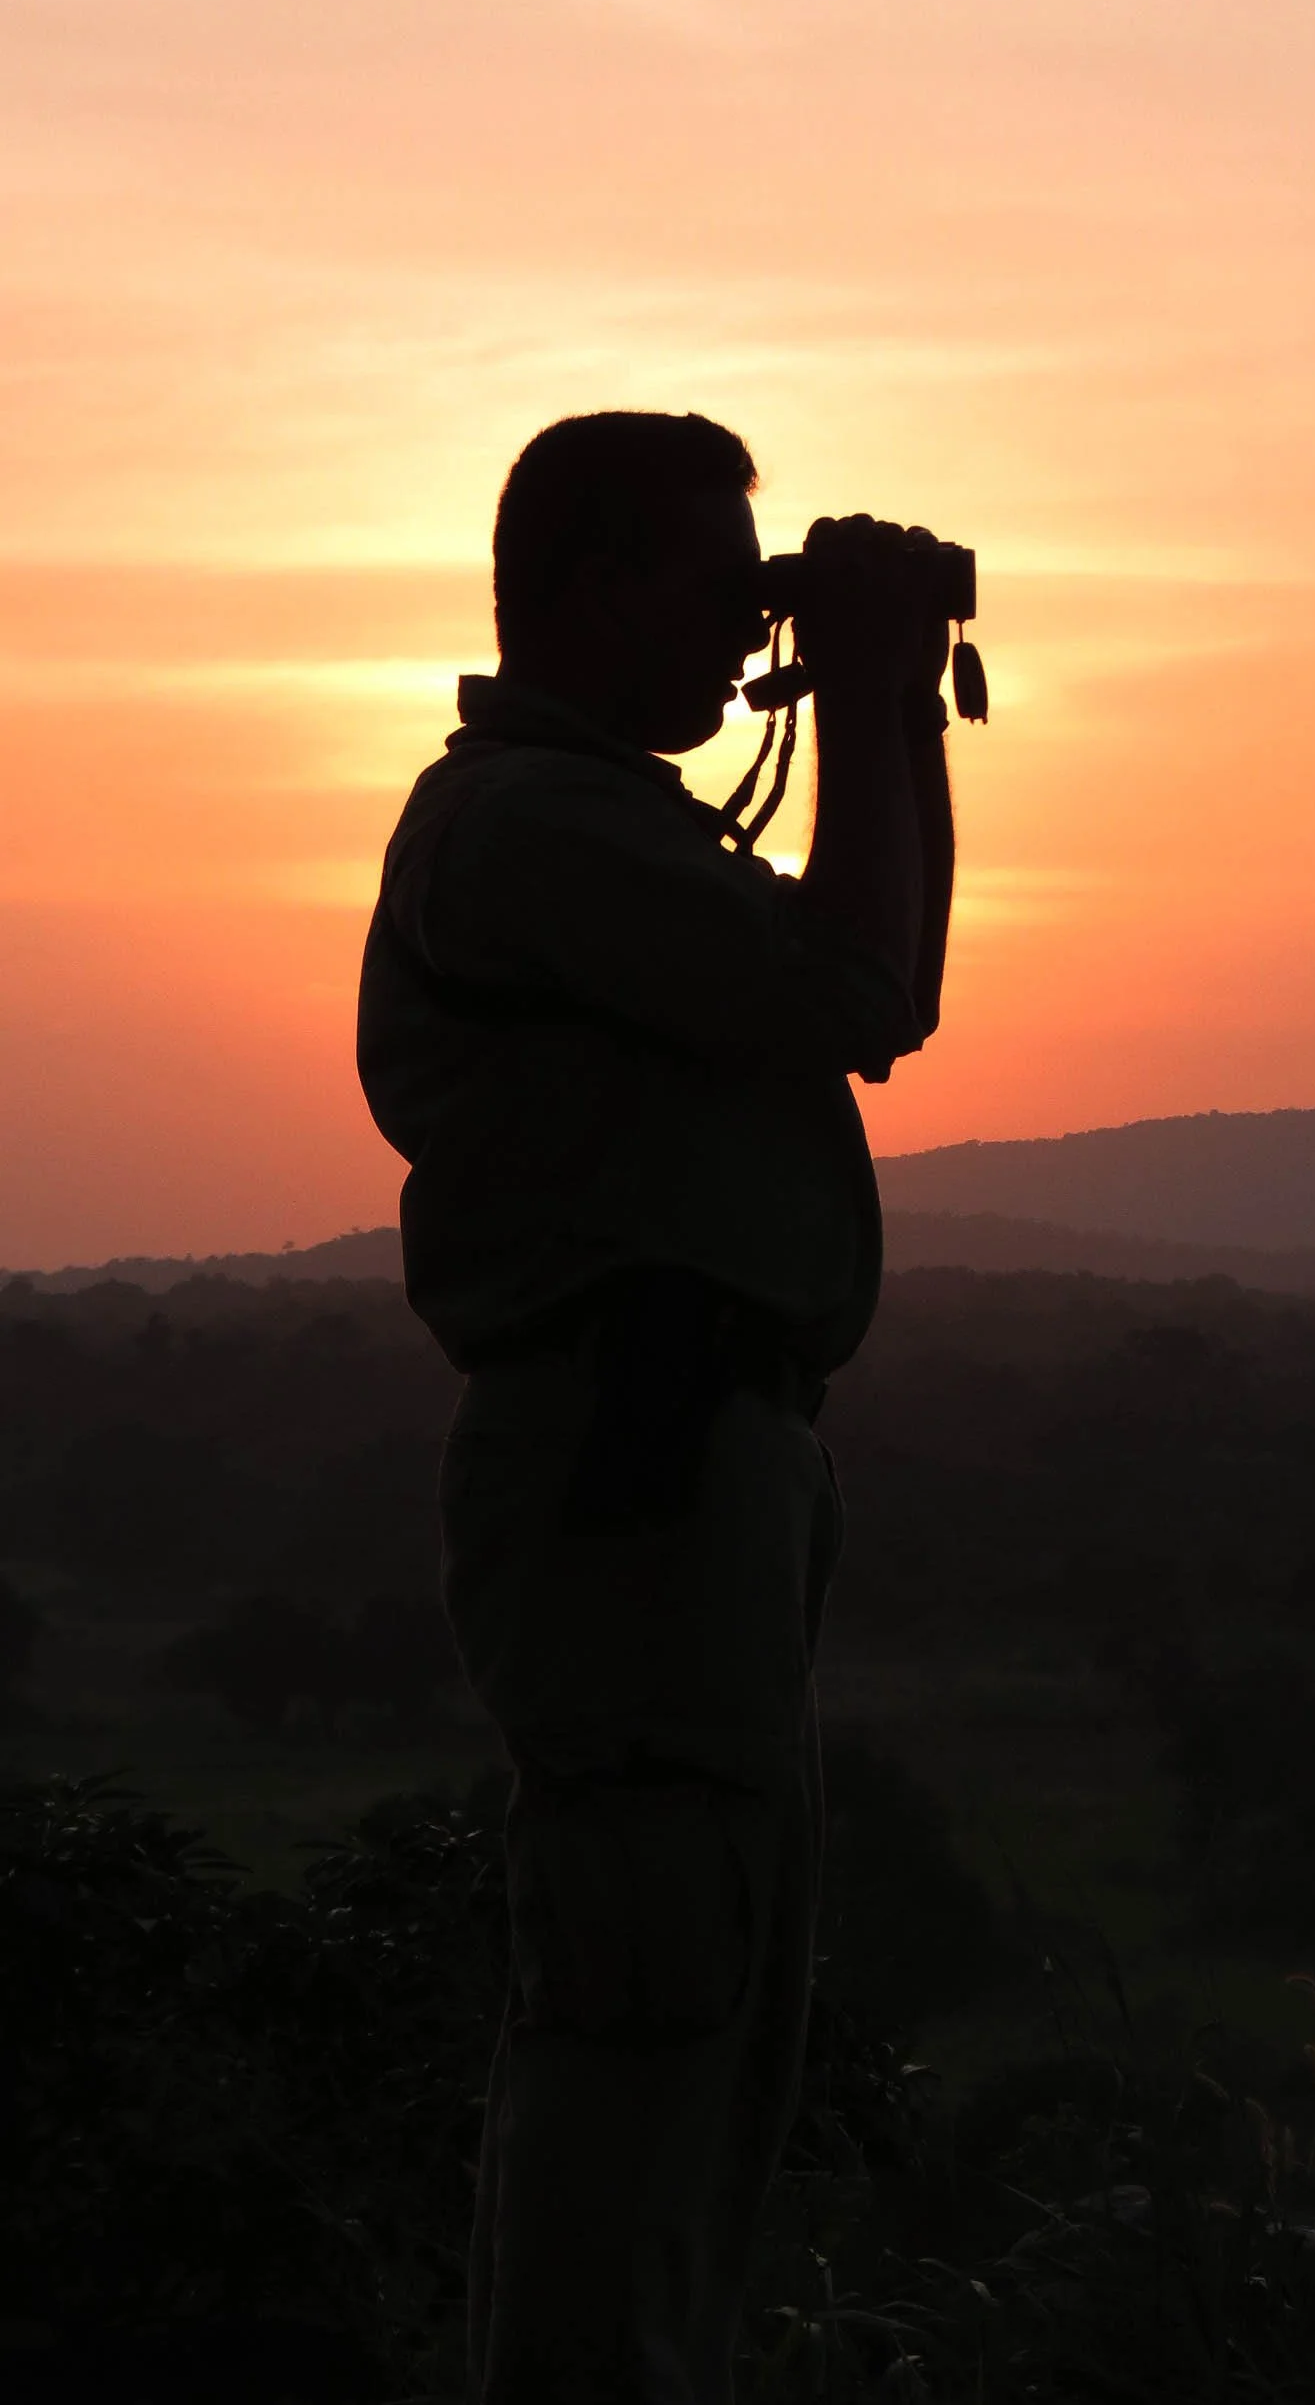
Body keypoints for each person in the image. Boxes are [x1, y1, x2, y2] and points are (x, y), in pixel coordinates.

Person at [356, 409, 956, 2404]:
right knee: (643, 1990)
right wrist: (865, 684)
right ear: (592, 589)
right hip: (636, 1471)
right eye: (724, 585)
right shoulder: (531, 824)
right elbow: (855, 987)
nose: (744, 630)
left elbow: (884, 986)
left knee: (714, 2026)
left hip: (700, 1470)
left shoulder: (601, 824)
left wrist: (897, 720)